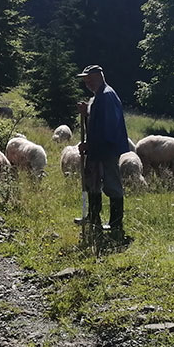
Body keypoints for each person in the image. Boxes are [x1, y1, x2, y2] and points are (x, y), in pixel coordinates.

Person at [76, 64, 133, 245]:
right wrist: (86, 114)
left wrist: (90, 145)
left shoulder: (107, 96)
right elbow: (94, 123)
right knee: (91, 183)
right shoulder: (97, 97)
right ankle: (92, 219)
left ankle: (116, 225)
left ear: (98, 77)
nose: (87, 83)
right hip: (97, 149)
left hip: (106, 149)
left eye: (89, 79)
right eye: (85, 80)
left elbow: (107, 127)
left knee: (111, 185)